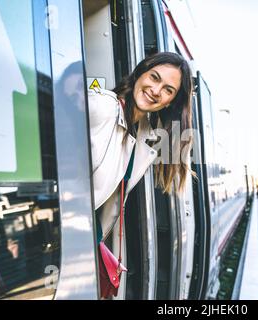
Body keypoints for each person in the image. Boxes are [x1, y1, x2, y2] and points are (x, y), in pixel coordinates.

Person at [89, 52, 193, 296]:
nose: (156, 90)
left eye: (168, 90)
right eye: (154, 77)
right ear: (139, 74)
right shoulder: (101, 107)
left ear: (170, 102)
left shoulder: (145, 134)